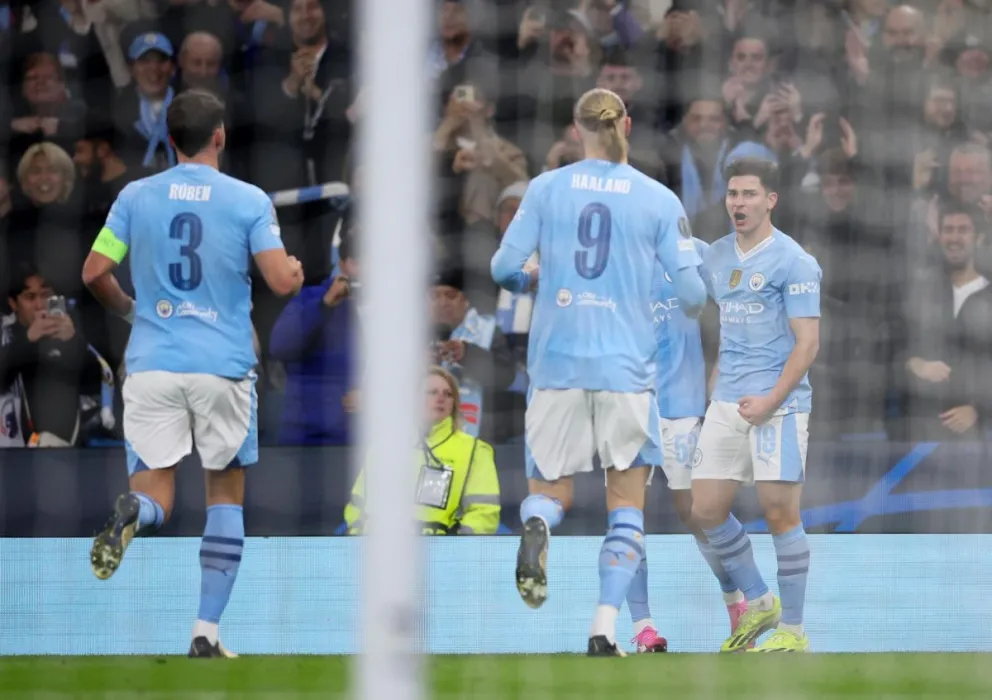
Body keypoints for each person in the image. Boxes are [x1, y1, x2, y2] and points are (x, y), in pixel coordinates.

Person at [80, 89, 305, 658]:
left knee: (156, 492)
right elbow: (280, 281)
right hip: (222, 369)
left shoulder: (134, 196)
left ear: (170, 139)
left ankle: (135, 511)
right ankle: (206, 632)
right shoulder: (249, 199)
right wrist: (297, 274)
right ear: (221, 136)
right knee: (224, 494)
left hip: (152, 364)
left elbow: (93, 271)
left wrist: (134, 312)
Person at [490, 87, 707, 657]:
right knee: (626, 504)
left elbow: (502, 267)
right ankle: (604, 628)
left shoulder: (544, 189)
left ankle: (537, 522)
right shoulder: (659, 199)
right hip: (625, 369)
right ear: (627, 125)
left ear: (575, 127)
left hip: (556, 365)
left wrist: (533, 280)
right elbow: (690, 294)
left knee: (551, 490)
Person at [690, 157, 821, 653]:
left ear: (771, 200)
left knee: (779, 512)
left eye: (748, 194)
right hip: (726, 404)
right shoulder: (717, 257)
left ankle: (795, 629)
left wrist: (770, 400)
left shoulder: (795, 261)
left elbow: (807, 344)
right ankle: (759, 598)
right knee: (705, 508)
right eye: (732, 194)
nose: (738, 203)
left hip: (779, 405)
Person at [623, 235, 750, 654]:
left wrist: (724, 368)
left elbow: (736, 308)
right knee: (626, 516)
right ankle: (643, 628)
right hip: (626, 404)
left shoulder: (692, 251)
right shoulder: (607, 258)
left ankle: (737, 604)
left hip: (681, 405)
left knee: (696, 513)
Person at [343, 367, 501, 536]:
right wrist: (357, 536)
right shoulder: (383, 446)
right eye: (432, 392)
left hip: (440, 553)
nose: (441, 398)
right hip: (379, 550)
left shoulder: (474, 451)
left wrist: (456, 548)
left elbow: (484, 512)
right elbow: (356, 506)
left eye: (448, 394)